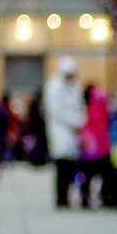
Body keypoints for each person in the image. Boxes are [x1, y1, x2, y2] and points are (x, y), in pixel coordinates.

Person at [43, 60, 85, 208]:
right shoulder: (54, 87)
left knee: (71, 166)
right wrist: (75, 122)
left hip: (73, 131)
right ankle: (61, 197)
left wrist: (80, 122)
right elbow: (56, 111)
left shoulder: (75, 87)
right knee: (62, 165)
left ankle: (67, 195)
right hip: (60, 130)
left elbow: (80, 106)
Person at [79, 84, 114, 208]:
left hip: (90, 147)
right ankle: (107, 196)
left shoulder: (87, 108)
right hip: (100, 146)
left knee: (88, 174)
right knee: (106, 173)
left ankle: (85, 195)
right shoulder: (101, 106)